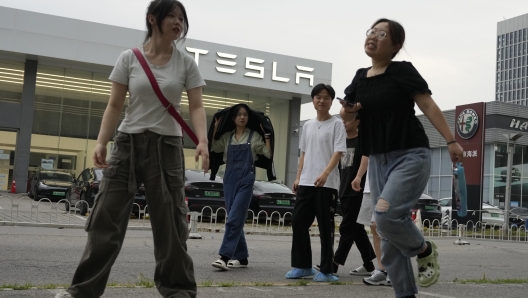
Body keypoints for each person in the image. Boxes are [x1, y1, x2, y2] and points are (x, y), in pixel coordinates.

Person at [55, 1, 209, 297]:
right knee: (105, 219)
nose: (178, 23)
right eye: (172, 17)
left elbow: (197, 106)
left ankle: (178, 291)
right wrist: (101, 141)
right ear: (153, 19)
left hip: (167, 147)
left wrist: (201, 141)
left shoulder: (186, 63)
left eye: (182, 18)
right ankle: (83, 290)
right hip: (127, 145)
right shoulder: (130, 58)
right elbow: (114, 105)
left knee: (171, 224)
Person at [341, 19, 464, 298]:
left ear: (395, 45)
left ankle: (424, 249)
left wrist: (451, 140)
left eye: (381, 34)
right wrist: (349, 110)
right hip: (378, 160)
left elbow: (428, 104)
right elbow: (346, 117)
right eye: (371, 31)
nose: (373, 36)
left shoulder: (402, 71)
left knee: (384, 217)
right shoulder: (360, 77)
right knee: (386, 236)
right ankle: (405, 294)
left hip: (409, 154)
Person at [286, 83, 347, 282]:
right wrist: (298, 176)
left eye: (326, 98)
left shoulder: (337, 124)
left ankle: (327, 270)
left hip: (327, 184)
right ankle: (303, 266)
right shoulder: (308, 125)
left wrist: (325, 173)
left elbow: (338, 151)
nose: (322, 100)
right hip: (306, 182)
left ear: (331, 102)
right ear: (313, 100)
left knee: (325, 227)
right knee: (298, 222)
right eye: (318, 97)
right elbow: (303, 153)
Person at [314, 108, 376, 276]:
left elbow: (367, 158)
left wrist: (357, 177)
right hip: (343, 190)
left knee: (347, 228)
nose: (343, 123)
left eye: (347, 120)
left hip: (358, 190)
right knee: (357, 230)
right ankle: (369, 266)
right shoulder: (341, 142)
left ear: (357, 122)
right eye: (342, 120)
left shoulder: (362, 140)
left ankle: (334, 263)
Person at [210, 104, 271, 270]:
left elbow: (268, 153)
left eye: (245, 114)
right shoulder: (227, 138)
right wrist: (215, 129)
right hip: (229, 179)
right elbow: (214, 147)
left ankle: (224, 256)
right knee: (234, 216)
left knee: (234, 218)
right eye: (239, 115)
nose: (242, 117)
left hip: (246, 179)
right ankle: (242, 258)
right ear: (233, 118)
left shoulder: (254, 136)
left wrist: (266, 135)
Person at [356, 174, 391, 286]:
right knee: (374, 226)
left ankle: (393, 269)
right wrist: (358, 176)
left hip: (389, 182)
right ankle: (382, 269)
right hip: (370, 184)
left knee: (386, 225)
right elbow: (366, 156)